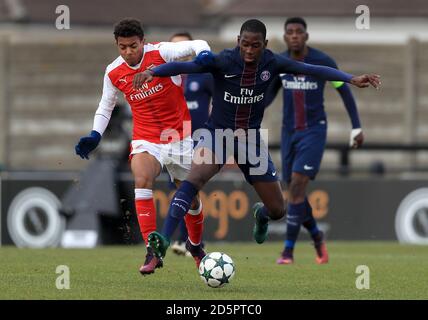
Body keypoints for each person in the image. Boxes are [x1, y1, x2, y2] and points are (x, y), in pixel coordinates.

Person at [132, 19, 380, 269]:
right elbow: (182, 67)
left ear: (265, 45)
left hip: (250, 140)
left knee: (277, 210)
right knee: (192, 181)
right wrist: (152, 72)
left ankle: (260, 215)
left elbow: (313, 69)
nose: (250, 51)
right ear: (238, 41)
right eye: (246, 44)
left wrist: (350, 78)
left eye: (256, 46)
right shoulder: (223, 61)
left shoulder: (273, 63)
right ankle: (161, 242)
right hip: (216, 134)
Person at [74, 18, 211, 275]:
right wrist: (95, 134)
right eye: (122, 47)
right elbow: (106, 106)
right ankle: (153, 250)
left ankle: (195, 246)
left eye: (133, 46)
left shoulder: (161, 52)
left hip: (179, 137)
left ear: (143, 42)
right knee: (142, 178)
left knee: (191, 198)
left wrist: (204, 54)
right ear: (116, 44)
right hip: (146, 138)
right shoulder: (113, 72)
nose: (128, 52)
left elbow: (199, 44)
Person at [265, 17, 365, 265]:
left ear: (306, 36)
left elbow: (344, 89)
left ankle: (287, 251)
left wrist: (356, 126)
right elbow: (267, 97)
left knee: (298, 186)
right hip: (289, 133)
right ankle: (317, 236)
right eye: (290, 32)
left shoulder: (322, 61)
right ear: (285, 36)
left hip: (314, 132)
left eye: (299, 32)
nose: (295, 36)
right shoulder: (280, 63)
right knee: (294, 193)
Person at [168, 32, 214, 256]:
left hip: (198, 138)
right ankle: (190, 240)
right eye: (174, 46)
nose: (179, 52)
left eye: (183, 46)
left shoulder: (203, 75)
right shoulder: (166, 76)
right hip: (173, 138)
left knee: (191, 186)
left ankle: (188, 240)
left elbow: (219, 100)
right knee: (179, 189)